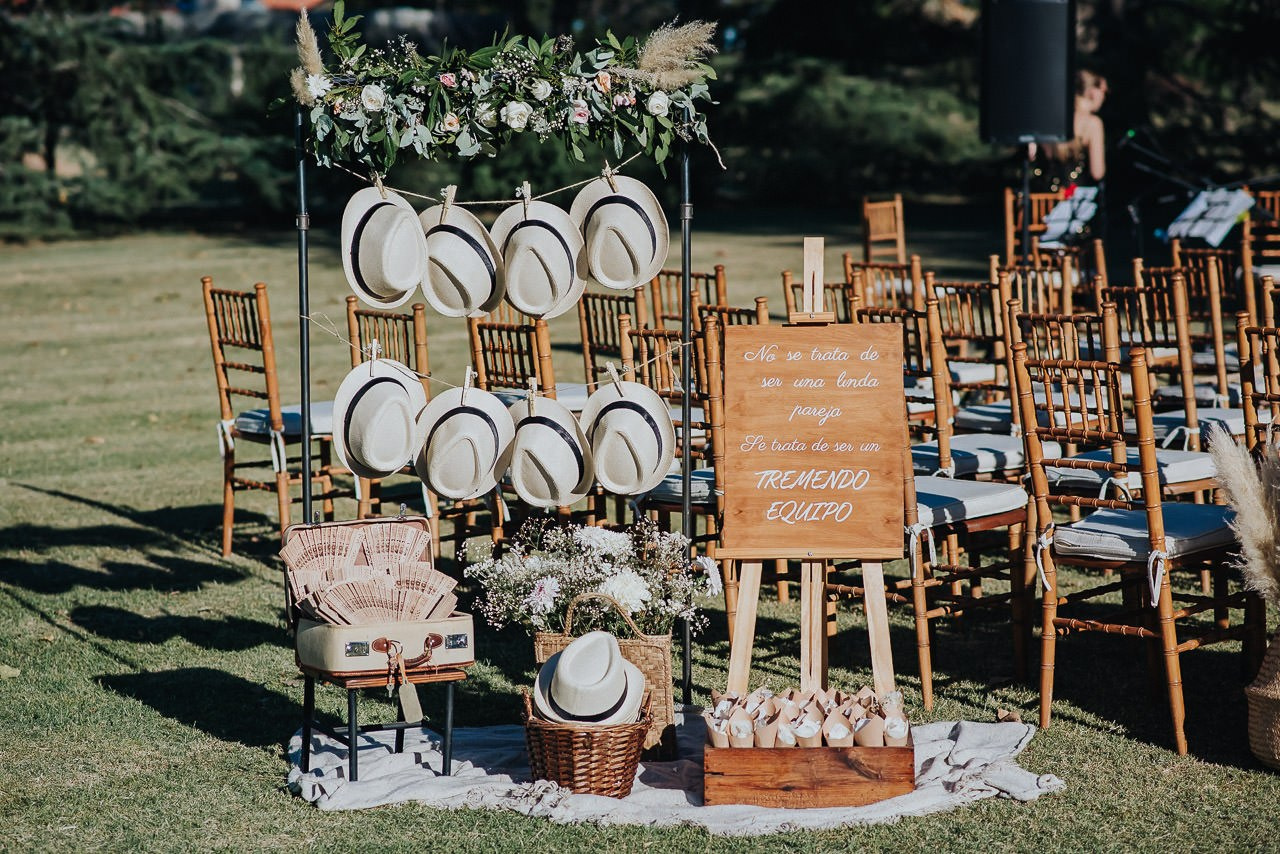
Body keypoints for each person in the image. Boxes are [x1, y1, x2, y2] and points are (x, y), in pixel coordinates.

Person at [1031, 69, 1108, 192]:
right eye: (1103, 91)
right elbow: (1097, 172)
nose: (1104, 97)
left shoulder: (1050, 117)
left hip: (1043, 198)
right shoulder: (1093, 123)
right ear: (1092, 92)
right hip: (1076, 200)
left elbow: (1032, 155)